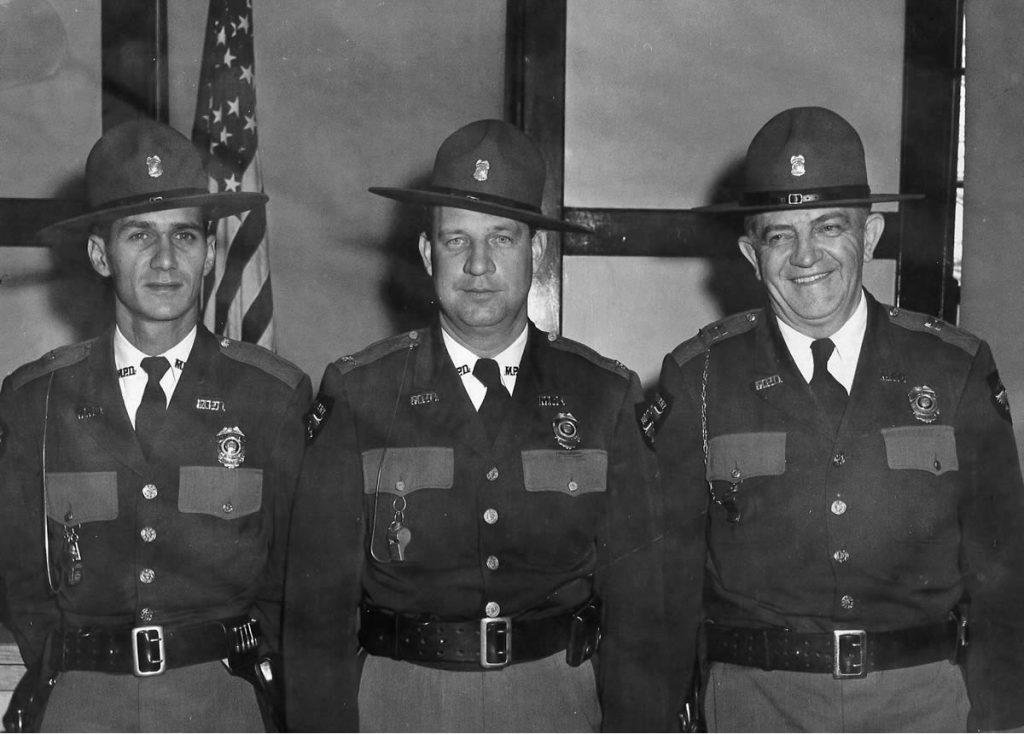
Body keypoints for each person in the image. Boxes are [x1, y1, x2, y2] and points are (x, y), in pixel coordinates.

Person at [284, 119, 669, 732]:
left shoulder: (602, 395)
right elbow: (315, 613)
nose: (479, 265)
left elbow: (643, 608)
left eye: (503, 240)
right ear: (426, 253)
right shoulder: (361, 393)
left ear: (536, 254)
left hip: (555, 699)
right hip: (401, 699)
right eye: (456, 241)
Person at [652, 106, 1024, 732]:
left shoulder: (953, 368)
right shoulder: (700, 378)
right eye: (779, 235)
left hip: (924, 701)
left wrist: (1008, 715)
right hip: (757, 704)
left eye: (829, 227)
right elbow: (663, 583)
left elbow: (1005, 562)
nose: (806, 257)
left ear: (871, 235)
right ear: (750, 252)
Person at [0, 119, 311, 732]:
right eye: (140, 235)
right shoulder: (35, 399)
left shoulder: (270, 398)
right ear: (99, 253)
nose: (166, 260)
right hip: (84, 699)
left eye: (185, 236)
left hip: (222, 699)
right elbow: (21, 577)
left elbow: (290, 581)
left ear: (210, 254)